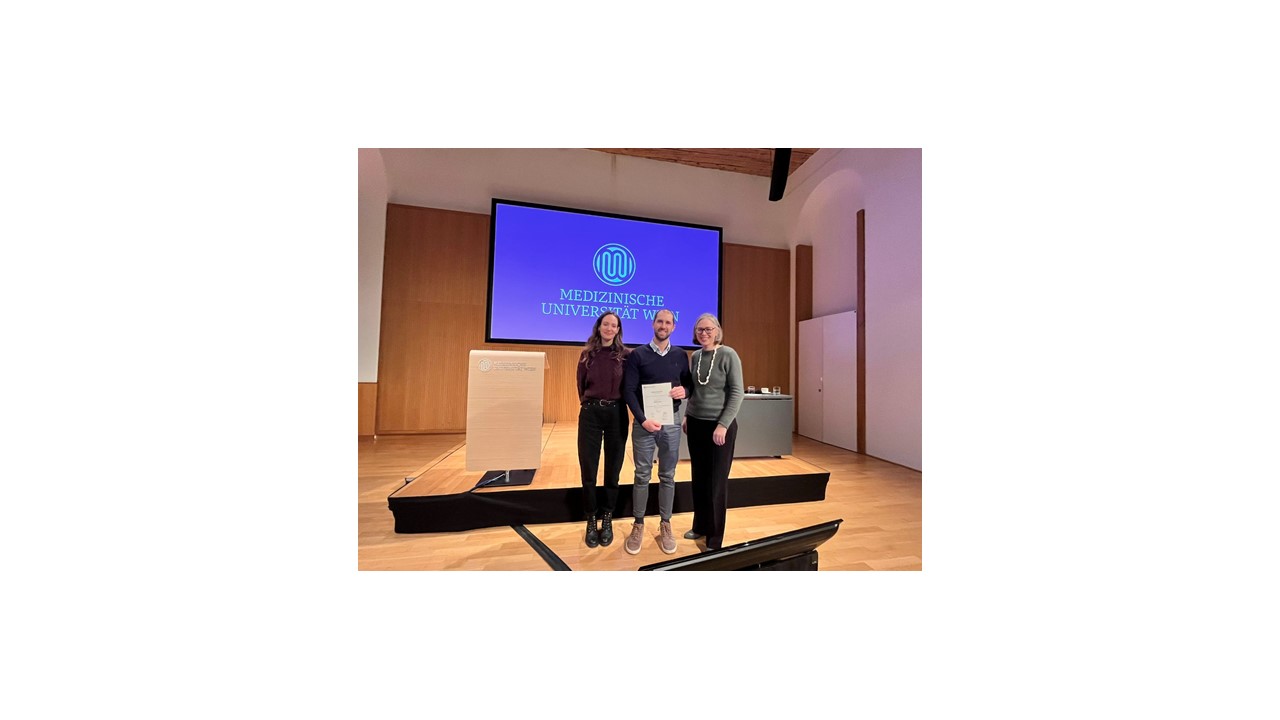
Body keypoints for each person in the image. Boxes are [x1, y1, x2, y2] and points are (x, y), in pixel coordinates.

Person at [621, 309, 692, 555]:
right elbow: (629, 391)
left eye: (668, 322)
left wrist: (685, 391)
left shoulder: (680, 355)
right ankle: (638, 524)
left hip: (671, 421)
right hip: (644, 423)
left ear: (674, 327)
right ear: (653, 324)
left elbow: (688, 384)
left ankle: (666, 524)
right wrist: (642, 420)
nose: (663, 325)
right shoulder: (637, 355)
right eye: (660, 321)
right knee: (642, 475)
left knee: (668, 475)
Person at [682, 313, 743, 551]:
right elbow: (695, 392)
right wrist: (687, 415)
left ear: (717, 331)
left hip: (719, 427)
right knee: (699, 478)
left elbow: (737, 392)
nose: (704, 333)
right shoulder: (696, 356)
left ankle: (714, 539)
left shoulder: (729, 354)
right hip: (696, 424)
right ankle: (700, 526)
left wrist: (723, 424)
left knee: (716, 484)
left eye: (708, 329)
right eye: (700, 330)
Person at [576, 312, 631, 548]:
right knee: (588, 469)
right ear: (599, 327)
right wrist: (591, 403)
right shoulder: (587, 354)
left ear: (618, 330)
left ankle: (607, 517)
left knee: (613, 469)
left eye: (613, 325)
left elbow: (631, 386)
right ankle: (591, 518)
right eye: (605, 324)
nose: (609, 328)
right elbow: (580, 385)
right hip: (590, 414)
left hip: (617, 414)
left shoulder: (626, 356)